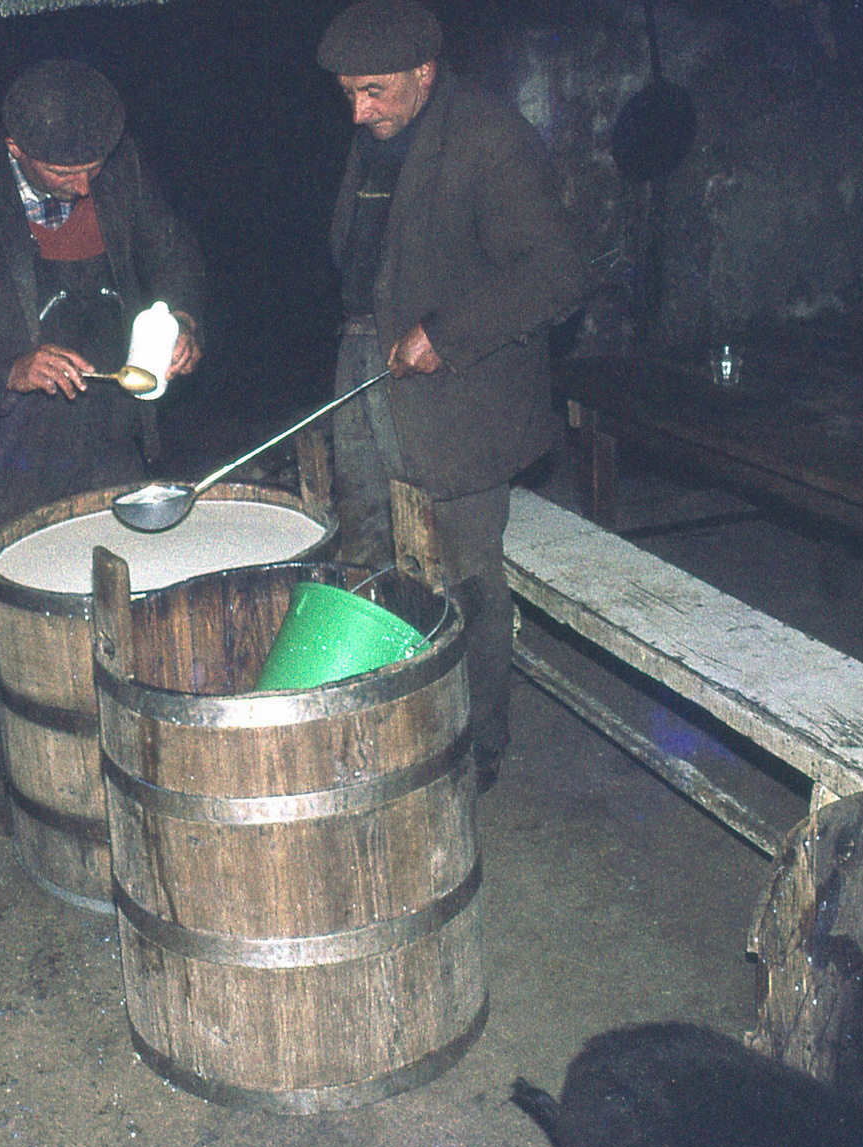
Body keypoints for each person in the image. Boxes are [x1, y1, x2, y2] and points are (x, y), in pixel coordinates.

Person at [0, 59, 204, 809]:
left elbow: (173, 250)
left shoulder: (117, 167)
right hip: (5, 445)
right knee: (13, 610)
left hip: (106, 427)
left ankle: (118, 755)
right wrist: (11, 365)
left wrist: (184, 318)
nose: (86, 186)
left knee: (117, 594)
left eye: (95, 167)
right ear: (16, 150)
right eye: (66, 172)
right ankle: (8, 772)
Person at [319, 0, 591, 791]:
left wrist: (447, 331)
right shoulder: (378, 137)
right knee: (367, 551)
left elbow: (558, 274)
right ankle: (389, 727)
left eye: (373, 91)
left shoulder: (487, 138)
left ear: (424, 72)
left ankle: (475, 748)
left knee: (467, 575)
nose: (359, 110)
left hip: (462, 394)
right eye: (347, 94)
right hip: (368, 365)